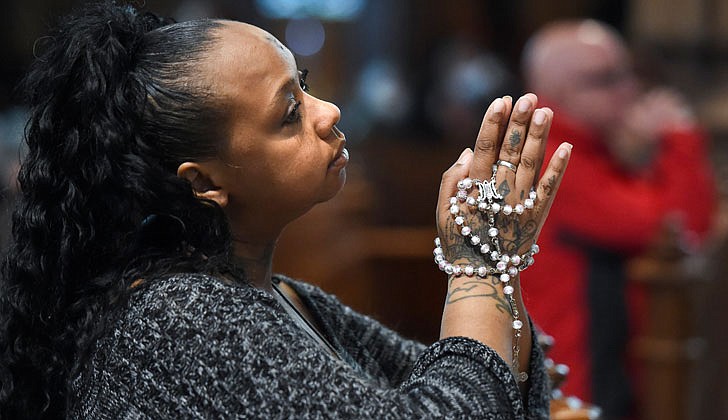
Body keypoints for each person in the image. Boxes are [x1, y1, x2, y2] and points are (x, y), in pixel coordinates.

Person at [0, 2, 573, 418]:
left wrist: (498, 247)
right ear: (205, 183)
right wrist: (480, 265)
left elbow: (473, 384)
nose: (327, 112)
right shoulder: (179, 317)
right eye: (288, 114)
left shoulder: (284, 296)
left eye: (303, 85)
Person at [520, 19, 716, 417]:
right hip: (575, 382)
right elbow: (677, 230)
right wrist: (678, 137)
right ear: (554, 93)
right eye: (605, 79)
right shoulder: (555, 160)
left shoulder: (591, 150)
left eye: (628, 73)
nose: (629, 91)